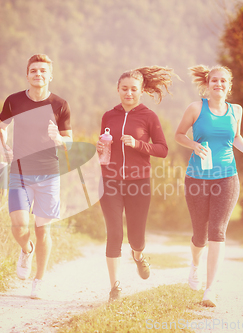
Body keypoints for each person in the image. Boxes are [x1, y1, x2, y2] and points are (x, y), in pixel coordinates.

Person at [175, 65, 243, 307]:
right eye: (214, 80)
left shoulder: (236, 110)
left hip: (227, 177)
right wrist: (193, 145)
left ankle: (210, 290)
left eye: (223, 81)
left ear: (228, 85)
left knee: (218, 231)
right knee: (199, 236)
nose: (218, 84)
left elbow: (235, 137)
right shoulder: (196, 108)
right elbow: (179, 134)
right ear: (208, 83)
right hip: (197, 177)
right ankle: (195, 265)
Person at [0, 54, 72, 299]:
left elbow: (69, 142)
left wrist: (58, 138)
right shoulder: (14, 101)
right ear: (27, 75)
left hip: (49, 174)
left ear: (50, 76)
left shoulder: (60, 104)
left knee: (43, 230)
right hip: (19, 171)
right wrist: (4, 148)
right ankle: (26, 250)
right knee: (19, 226)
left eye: (42, 71)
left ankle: (39, 279)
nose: (38, 74)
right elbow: (1, 127)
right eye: (33, 71)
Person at [97, 66, 176, 302]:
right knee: (114, 233)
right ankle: (115, 288)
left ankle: (139, 256)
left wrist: (137, 144)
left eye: (133, 89)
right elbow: (104, 145)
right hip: (109, 180)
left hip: (138, 182)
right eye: (124, 89)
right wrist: (100, 148)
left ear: (141, 91)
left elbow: (162, 149)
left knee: (136, 238)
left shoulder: (149, 117)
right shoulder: (108, 116)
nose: (128, 93)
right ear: (118, 90)